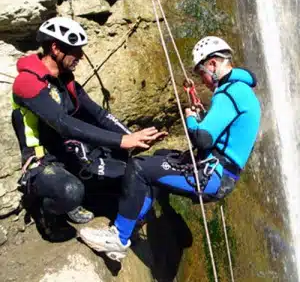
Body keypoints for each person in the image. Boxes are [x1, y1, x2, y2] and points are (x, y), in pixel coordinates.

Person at [78, 36, 261, 261]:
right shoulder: (243, 91)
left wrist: (191, 119)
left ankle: (118, 237)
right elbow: (226, 137)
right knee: (161, 156)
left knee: (139, 167)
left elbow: (203, 139)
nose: (202, 81)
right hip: (222, 174)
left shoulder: (229, 92)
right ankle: (135, 219)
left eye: (201, 72)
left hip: (213, 176)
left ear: (212, 64)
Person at [11, 16, 166, 241]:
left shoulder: (65, 81)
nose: (81, 56)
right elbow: (63, 124)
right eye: (75, 50)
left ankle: (83, 193)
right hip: (42, 161)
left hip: (68, 152)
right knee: (71, 192)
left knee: (131, 174)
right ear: (55, 48)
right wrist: (122, 141)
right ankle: (46, 213)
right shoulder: (27, 83)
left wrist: (130, 137)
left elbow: (99, 114)